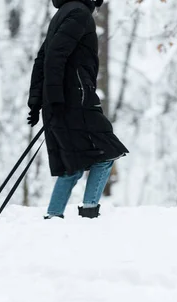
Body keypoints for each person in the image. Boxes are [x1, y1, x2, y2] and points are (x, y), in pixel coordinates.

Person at [28, 0, 129, 219]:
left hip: (60, 100)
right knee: (106, 153)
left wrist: (38, 101)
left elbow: (42, 58)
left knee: (70, 165)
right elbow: (53, 55)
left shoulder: (64, 13)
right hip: (75, 100)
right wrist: (53, 97)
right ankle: (89, 213)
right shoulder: (79, 13)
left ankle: (53, 217)